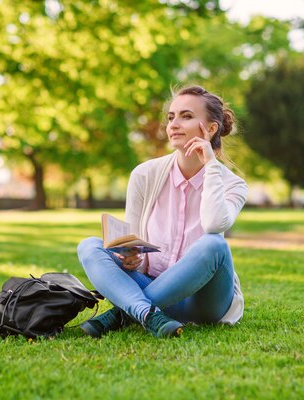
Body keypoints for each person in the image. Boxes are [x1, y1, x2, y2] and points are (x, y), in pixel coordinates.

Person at [77, 85, 247, 338]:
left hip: (205, 302)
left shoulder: (233, 184)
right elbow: (132, 241)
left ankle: (124, 313)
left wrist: (211, 165)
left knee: (214, 245)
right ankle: (148, 314)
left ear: (211, 129)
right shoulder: (144, 174)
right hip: (155, 287)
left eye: (186, 116)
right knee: (89, 246)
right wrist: (131, 258)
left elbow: (214, 224)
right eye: (171, 117)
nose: (173, 124)